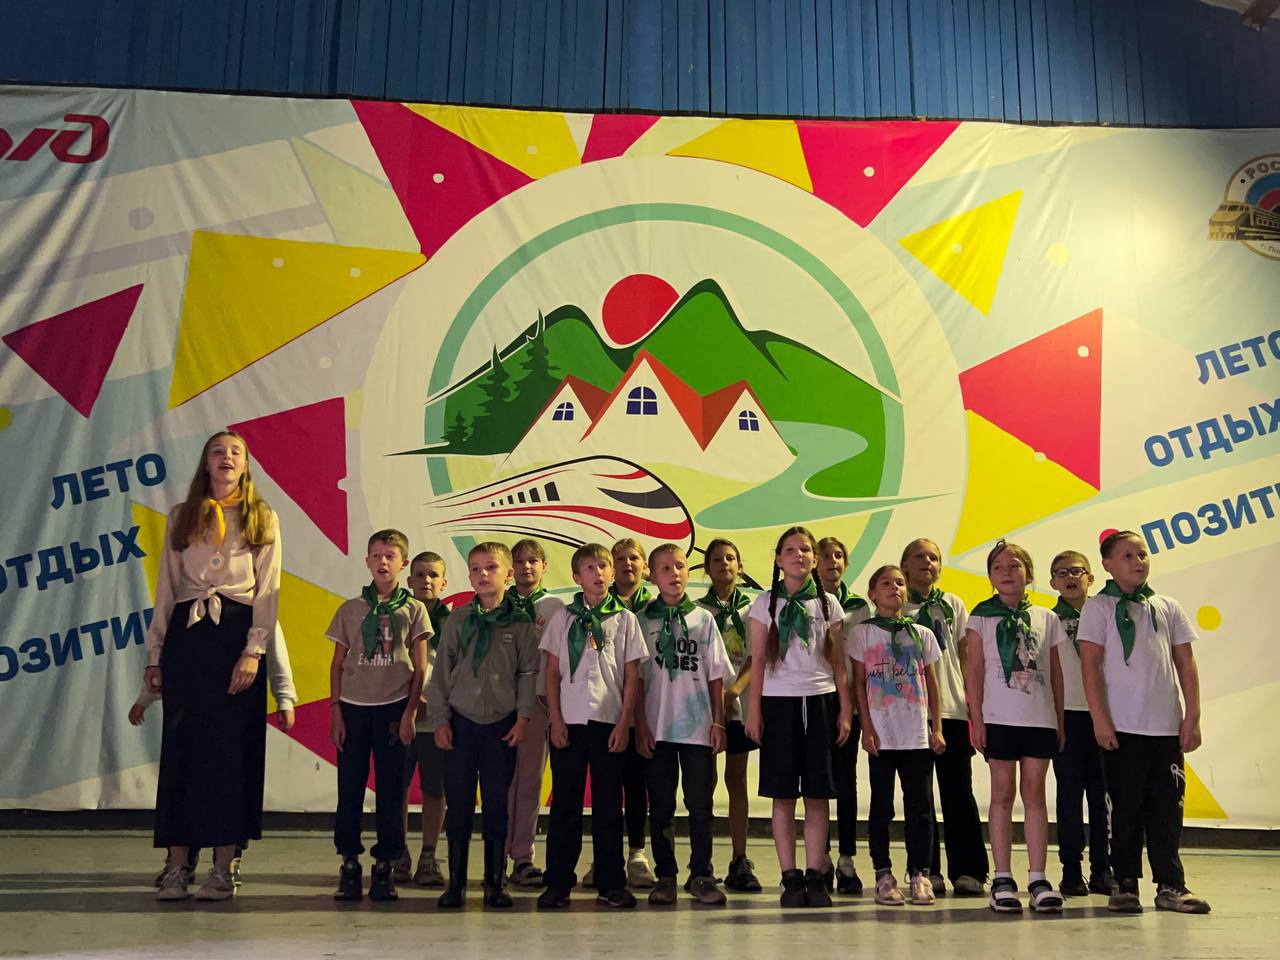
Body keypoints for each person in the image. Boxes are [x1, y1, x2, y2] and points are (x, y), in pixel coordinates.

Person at [146, 430, 281, 903]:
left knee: (230, 753)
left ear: (246, 465)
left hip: (235, 636)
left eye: (235, 453)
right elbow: (167, 587)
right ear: (205, 463)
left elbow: (268, 591)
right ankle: (177, 864)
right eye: (217, 451)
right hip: (189, 637)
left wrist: (253, 651)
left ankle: (224, 867)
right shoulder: (182, 516)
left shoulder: (261, 516)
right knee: (182, 749)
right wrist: (156, 653)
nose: (226, 458)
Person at [1079, 530, 1210, 914]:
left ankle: (1171, 884)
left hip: (1165, 727)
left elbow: (1185, 663)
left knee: (1167, 810)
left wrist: (1192, 716)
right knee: (1125, 810)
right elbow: (1090, 666)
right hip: (1122, 728)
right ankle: (1124, 884)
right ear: (1107, 564)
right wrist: (1100, 720)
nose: (1138, 561)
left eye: (1142, 554)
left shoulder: (1167, 606)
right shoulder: (1099, 607)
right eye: (1127, 556)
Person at [134, 624, 296, 891]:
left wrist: (285, 698)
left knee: (230, 783)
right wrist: (144, 699)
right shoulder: (185, 611)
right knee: (187, 781)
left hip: (232, 712)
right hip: (194, 714)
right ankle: (181, 860)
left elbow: (276, 656)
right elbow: (171, 666)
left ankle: (228, 861)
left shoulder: (256, 615)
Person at [425, 542, 538, 909]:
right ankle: (456, 884)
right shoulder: (458, 620)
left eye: (491, 567)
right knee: (458, 803)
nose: (483, 574)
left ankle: (494, 884)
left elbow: (528, 673)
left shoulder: (520, 622)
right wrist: (440, 720)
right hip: (461, 724)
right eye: (475, 568)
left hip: (501, 726)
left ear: (509, 574)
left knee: (496, 804)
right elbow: (441, 675)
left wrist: (523, 717)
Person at [745, 526, 852, 909]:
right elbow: (758, 660)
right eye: (790, 550)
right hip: (779, 703)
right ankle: (789, 876)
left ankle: (814, 874)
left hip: (820, 701)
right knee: (784, 793)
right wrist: (754, 710)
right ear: (778, 559)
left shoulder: (829, 604)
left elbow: (838, 662)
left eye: (805, 549)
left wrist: (845, 709)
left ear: (815, 558)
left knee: (818, 794)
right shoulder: (764, 604)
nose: (798, 555)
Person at [537, 544, 644, 910]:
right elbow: (552, 672)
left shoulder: (625, 619)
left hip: (608, 722)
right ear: (576, 576)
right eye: (589, 568)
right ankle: (558, 883)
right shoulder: (563, 618)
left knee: (609, 807)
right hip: (568, 722)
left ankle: (610, 883)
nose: (598, 573)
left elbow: (632, 675)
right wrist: (555, 719)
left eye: (603, 566)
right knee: (565, 805)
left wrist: (625, 723)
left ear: (612, 574)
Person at [328, 530, 430, 903]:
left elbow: (420, 668)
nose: (382, 562)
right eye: (376, 555)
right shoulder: (351, 609)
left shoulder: (414, 610)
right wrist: (336, 711)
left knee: (391, 792)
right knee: (349, 789)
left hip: (394, 707)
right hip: (354, 708)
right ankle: (349, 864)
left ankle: (386, 865)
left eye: (390, 556)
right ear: (367, 562)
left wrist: (409, 713)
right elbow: (337, 664)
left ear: (403, 563)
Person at [965, 539, 1065, 914]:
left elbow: (1055, 673)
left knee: (1035, 794)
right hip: (998, 718)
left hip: (1039, 717)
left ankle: (1038, 877)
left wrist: (1058, 719)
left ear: (1029, 573)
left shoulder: (1046, 617)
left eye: (1015, 565)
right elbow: (974, 669)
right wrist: (976, 719)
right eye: (999, 567)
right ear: (990, 577)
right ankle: (1002, 877)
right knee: (1002, 794)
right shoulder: (980, 616)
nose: (1007, 572)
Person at [635, 543, 734, 906]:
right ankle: (666, 876)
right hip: (657, 727)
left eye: (679, 566)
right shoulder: (641, 620)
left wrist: (718, 722)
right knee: (661, 806)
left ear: (688, 572)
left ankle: (702, 874)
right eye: (665, 568)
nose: (673, 574)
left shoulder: (703, 620)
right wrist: (640, 726)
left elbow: (716, 675)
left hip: (697, 727)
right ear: (652, 575)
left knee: (700, 805)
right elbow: (636, 678)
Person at [849, 565, 945, 906]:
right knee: (881, 806)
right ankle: (883, 873)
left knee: (920, 807)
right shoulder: (862, 633)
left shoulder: (922, 634)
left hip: (915, 733)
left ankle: (920, 874)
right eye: (886, 583)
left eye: (900, 583)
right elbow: (859, 683)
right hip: (882, 734)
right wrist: (867, 727)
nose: (894, 588)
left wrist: (937, 727)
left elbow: (932, 682)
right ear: (872, 594)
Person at [901, 537, 987, 896]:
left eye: (933, 557)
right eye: (918, 556)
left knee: (958, 792)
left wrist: (973, 703)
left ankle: (969, 869)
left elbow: (965, 656)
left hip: (951, 709)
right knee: (918, 796)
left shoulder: (952, 604)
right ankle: (925, 869)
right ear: (905, 566)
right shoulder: (896, 606)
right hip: (910, 712)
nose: (927, 562)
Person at [1047, 550, 1114, 897]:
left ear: (1091, 577)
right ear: (1052, 582)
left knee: (1102, 798)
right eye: (1062, 573)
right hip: (1066, 716)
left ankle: (1104, 869)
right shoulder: (1047, 621)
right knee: (1068, 798)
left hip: (1104, 715)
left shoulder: (1106, 614)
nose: (1070, 577)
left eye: (1077, 571)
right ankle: (1071, 870)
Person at [696, 537, 761, 892]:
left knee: (736, 780)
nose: (724, 564)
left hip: (738, 705)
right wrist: (714, 697)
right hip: (705, 708)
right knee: (703, 783)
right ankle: (701, 861)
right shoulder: (697, 611)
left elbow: (757, 656)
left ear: (740, 566)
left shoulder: (753, 609)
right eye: (717, 559)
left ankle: (740, 858)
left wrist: (734, 691)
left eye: (731, 558)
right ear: (706, 568)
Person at [505, 538, 567, 889]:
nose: (526, 567)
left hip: (541, 703)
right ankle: (495, 853)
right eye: (519, 561)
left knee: (529, 781)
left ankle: (522, 856)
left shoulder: (557, 607)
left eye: (533, 561)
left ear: (544, 567)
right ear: (510, 568)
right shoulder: (498, 604)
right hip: (503, 704)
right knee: (502, 783)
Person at [817, 535, 870, 894]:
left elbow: (861, 659)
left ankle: (846, 858)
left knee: (846, 780)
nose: (832, 561)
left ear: (846, 564)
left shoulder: (858, 607)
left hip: (847, 699)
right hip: (815, 698)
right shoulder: (803, 602)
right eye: (825, 555)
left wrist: (853, 704)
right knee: (818, 779)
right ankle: (820, 857)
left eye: (839, 555)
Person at [394, 551, 451, 887]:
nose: (426, 581)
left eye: (433, 575)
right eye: (420, 575)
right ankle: (397, 853)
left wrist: (436, 703)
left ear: (444, 582)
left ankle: (429, 855)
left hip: (435, 719)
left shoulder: (454, 622)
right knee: (396, 789)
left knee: (434, 789)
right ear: (409, 580)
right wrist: (408, 703)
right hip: (399, 715)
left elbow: (459, 670)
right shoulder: (395, 616)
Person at [603, 537, 657, 888]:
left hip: (647, 711)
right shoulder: (597, 607)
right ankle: (606, 856)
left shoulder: (657, 609)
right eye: (619, 559)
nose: (627, 564)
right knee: (607, 786)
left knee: (638, 785)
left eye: (634, 558)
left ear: (645, 567)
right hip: (607, 709)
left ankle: (637, 852)